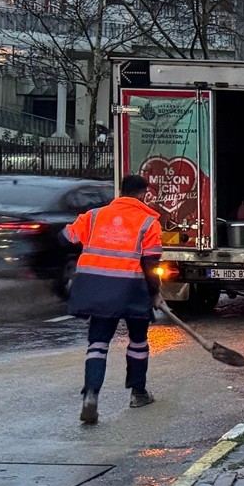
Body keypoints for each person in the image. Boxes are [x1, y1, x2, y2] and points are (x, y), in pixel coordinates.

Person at [64, 174, 164, 424]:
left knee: (98, 343)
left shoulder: (94, 216)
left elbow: (65, 237)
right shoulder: (149, 222)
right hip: (132, 288)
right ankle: (138, 393)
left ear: (121, 191)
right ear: (143, 194)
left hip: (97, 287)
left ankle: (90, 393)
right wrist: (156, 293)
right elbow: (151, 264)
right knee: (138, 342)